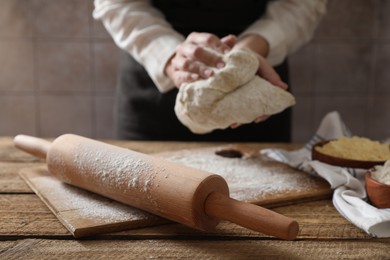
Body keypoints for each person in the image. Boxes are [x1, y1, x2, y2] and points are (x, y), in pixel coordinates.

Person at [93, 0, 327, 142]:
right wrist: (171, 55)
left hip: (258, 70)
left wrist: (245, 53)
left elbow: (304, 3)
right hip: (154, 87)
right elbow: (118, 3)